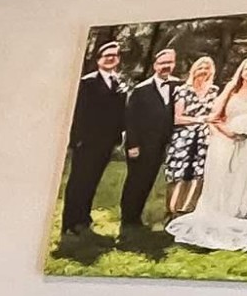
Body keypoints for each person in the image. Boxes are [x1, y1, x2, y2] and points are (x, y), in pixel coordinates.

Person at [62, 40, 129, 237]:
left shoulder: (118, 82)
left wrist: (119, 138)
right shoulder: (87, 82)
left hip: (106, 143)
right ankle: (70, 222)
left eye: (114, 55)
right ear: (99, 59)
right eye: (107, 55)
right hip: (86, 142)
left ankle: (83, 218)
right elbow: (79, 113)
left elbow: (120, 114)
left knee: (92, 182)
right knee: (78, 182)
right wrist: (76, 140)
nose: (111, 58)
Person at [197, 55, 247, 220]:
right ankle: (219, 209)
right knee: (225, 173)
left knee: (244, 173)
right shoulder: (231, 90)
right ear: (241, 71)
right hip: (226, 138)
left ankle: (239, 210)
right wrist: (229, 132)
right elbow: (213, 117)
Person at [119, 46, 179, 233]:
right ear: (155, 65)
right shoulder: (141, 89)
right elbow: (131, 120)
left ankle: (136, 215)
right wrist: (133, 145)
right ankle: (128, 218)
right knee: (136, 181)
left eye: (169, 63)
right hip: (141, 145)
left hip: (161, 145)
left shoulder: (178, 86)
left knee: (148, 182)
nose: (166, 66)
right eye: (162, 63)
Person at [164, 57, 219, 218]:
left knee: (198, 173)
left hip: (204, 137)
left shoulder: (214, 91)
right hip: (183, 137)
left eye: (207, 68)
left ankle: (187, 210)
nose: (203, 71)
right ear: (193, 70)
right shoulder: (183, 90)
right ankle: (172, 210)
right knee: (178, 173)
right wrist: (199, 119)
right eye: (200, 67)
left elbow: (215, 114)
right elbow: (177, 118)